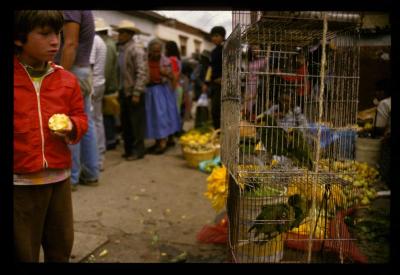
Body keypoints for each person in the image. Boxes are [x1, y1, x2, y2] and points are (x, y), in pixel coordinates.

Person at [14, 10, 88, 262]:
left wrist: (72, 125)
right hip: (20, 184)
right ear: (19, 38)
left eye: (57, 33)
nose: (56, 41)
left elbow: (81, 118)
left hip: (59, 180)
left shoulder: (67, 80)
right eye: (44, 34)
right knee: (24, 250)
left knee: (61, 246)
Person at [57, 10, 98, 190]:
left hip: (73, 70)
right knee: (84, 124)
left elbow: (71, 43)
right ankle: (90, 174)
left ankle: (71, 179)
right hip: (81, 70)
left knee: (69, 124)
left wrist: (60, 76)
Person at [113, 20, 148, 160]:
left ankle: (138, 151)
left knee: (136, 124)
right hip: (124, 91)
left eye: (122, 33)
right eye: (119, 32)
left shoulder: (136, 49)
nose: (119, 35)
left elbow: (142, 72)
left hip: (134, 92)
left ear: (129, 34)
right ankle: (129, 150)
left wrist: (137, 92)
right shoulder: (122, 49)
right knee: (126, 123)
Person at [145, 39, 181, 154]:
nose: (156, 54)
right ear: (149, 50)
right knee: (153, 118)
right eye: (154, 51)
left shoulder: (166, 61)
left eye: (158, 51)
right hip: (150, 91)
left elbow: (174, 77)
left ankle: (162, 143)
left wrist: (166, 74)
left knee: (162, 118)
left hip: (162, 91)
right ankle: (157, 142)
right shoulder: (145, 60)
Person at [94, 18, 120, 152]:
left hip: (107, 86)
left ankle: (110, 140)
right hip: (108, 85)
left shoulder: (106, 45)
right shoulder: (109, 43)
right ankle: (110, 139)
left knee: (107, 116)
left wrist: (102, 86)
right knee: (106, 116)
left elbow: (107, 69)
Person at [90, 32, 107, 171]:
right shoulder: (101, 41)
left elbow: (89, 65)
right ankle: (100, 157)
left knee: (91, 123)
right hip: (100, 83)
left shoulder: (92, 40)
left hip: (93, 85)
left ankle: (96, 160)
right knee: (98, 120)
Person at [203, 26, 226, 130]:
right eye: (212, 36)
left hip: (226, 86)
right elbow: (210, 68)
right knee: (215, 110)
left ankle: (224, 133)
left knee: (224, 110)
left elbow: (232, 66)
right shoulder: (213, 52)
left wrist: (225, 79)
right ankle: (218, 133)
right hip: (215, 85)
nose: (214, 38)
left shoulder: (228, 49)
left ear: (222, 36)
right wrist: (206, 83)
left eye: (216, 36)